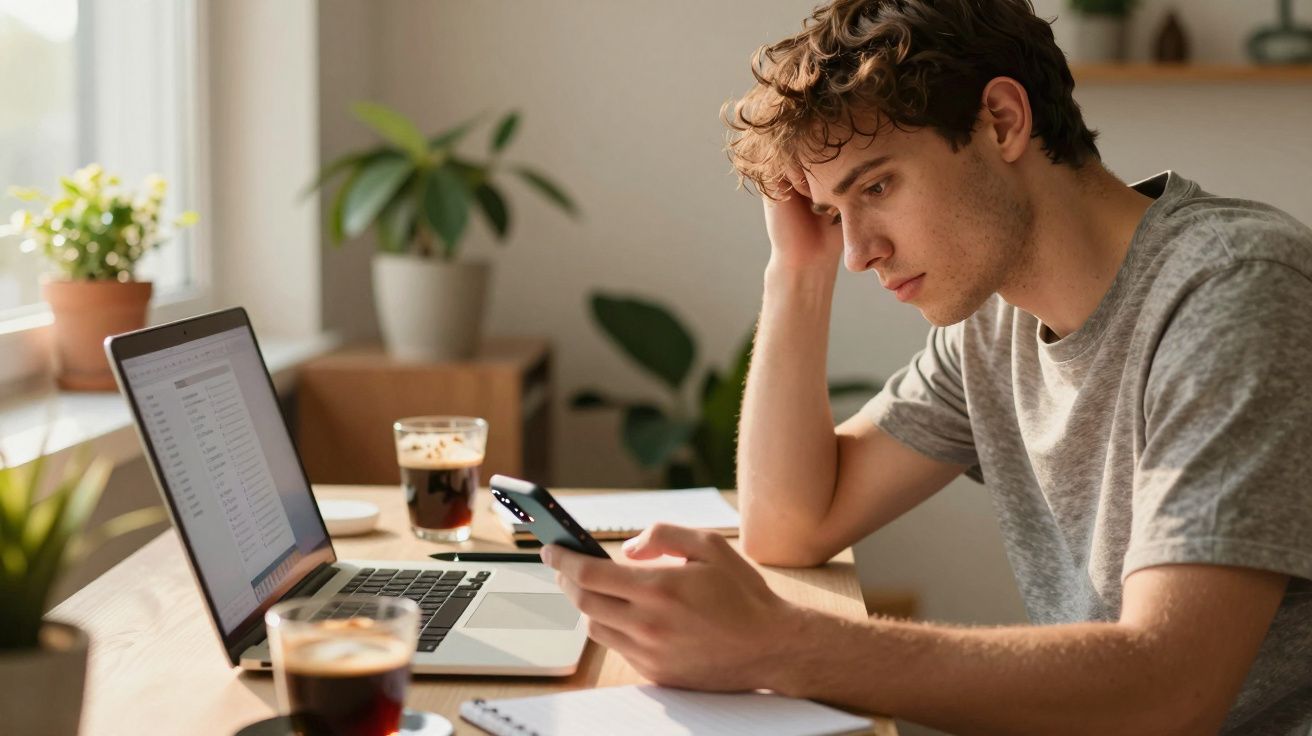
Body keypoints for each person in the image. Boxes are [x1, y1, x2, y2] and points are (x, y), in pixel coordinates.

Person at [539, 1, 1312, 732]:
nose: (859, 252)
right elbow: (790, 525)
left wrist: (780, 642)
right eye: (836, 212)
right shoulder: (998, 323)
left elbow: (1171, 693)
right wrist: (796, 271)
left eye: (876, 185)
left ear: (1002, 122)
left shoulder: (1235, 290)